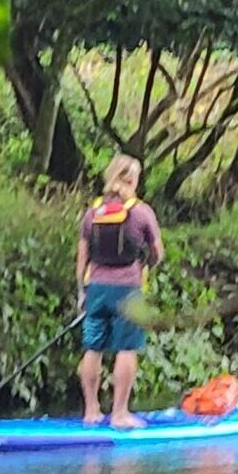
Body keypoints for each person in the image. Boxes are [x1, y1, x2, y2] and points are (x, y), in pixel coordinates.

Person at [75, 154, 165, 428]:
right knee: (126, 348)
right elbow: (158, 253)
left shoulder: (93, 213)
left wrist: (82, 292)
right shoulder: (141, 212)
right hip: (128, 288)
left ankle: (91, 411)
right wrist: (146, 265)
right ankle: (120, 414)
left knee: (93, 348)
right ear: (132, 180)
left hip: (96, 289)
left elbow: (82, 260)